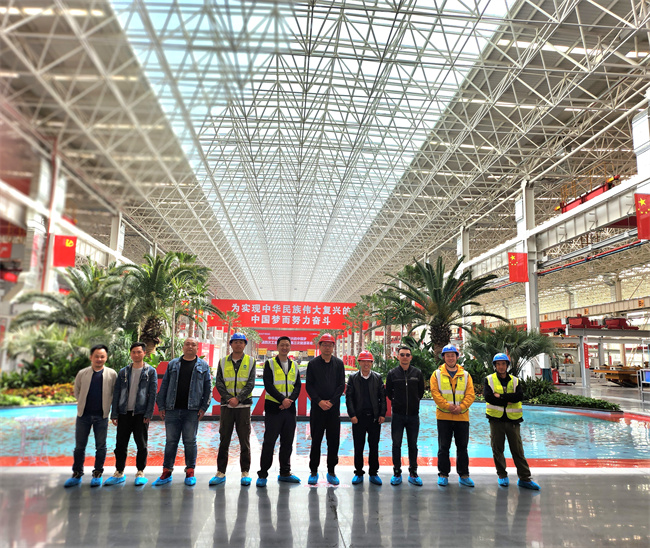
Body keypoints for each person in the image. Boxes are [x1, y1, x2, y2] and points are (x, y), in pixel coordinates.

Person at [153, 337, 212, 486]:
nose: (190, 346)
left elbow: (208, 389)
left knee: (190, 442)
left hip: (192, 411)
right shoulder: (173, 364)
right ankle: (167, 472)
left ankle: (190, 472)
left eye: (193, 344)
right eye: (187, 344)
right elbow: (164, 385)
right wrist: (161, 406)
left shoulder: (203, 366)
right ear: (183, 347)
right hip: (172, 409)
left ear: (197, 348)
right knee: (170, 442)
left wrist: (203, 408)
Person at [484, 353, 541, 490]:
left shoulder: (515, 381)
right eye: (498, 364)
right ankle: (502, 475)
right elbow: (489, 398)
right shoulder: (489, 380)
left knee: (518, 450)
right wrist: (508, 399)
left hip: (513, 420)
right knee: (497, 449)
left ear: (507, 365)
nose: (501, 367)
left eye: (503, 364)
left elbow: (519, 396)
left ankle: (524, 478)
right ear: (495, 366)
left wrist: (501, 396)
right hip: (496, 420)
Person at [104, 341, 158, 486]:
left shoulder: (150, 372)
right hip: (124, 413)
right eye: (133, 352)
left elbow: (153, 394)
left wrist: (148, 413)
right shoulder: (123, 372)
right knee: (120, 445)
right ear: (130, 354)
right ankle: (119, 471)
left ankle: (140, 471)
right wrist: (114, 414)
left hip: (141, 414)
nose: (136, 354)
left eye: (139, 352)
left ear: (144, 353)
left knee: (141, 444)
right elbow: (116, 393)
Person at [64, 344, 117, 487]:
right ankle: (77, 474)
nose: (99, 359)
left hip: (101, 416)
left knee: (101, 446)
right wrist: (82, 403)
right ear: (91, 357)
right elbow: (77, 391)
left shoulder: (112, 374)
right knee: (79, 447)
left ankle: (97, 473)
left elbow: (115, 394)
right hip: (83, 416)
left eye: (102, 356)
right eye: (96, 356)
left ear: (106, 358)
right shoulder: (82, 373)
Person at [211, 332, 256, 486]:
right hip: (227, 406)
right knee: (224, 439)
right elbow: (219, 382)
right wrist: (229, 398)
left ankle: (245, 472)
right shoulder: (223, 362)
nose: (238, 344)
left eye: (241, 342)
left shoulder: (251, 361)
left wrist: (239, 399)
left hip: (243, 407)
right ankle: (220, 472)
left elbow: (250, 383)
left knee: (245, 441)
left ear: (245, 344)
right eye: (235, 342)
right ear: (231, 344)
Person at [256, 336, 302, 487]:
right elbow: (268, 384)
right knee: (269, 442)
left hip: (290, 409)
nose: (284, 347)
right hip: (273, 408)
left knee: (287, 442)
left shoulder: (294, 365)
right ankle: (263, 474)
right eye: (282, 345)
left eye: (287, 345)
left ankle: (285, 472)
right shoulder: (270, 363)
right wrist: (282, 400)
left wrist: (290, 401)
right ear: (277, 347)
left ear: (290, 347)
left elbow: (297, 386)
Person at [430, 344, 476, 487]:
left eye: (453, 355)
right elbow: (435, 393)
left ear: (457, 357)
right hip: (444, 417)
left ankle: (464, 475)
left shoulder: (466, 375)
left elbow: (470, 394)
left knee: (462, 447)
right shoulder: (436, 374)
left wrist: (461, 407)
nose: (450, 358)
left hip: (462, 417)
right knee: (443, 447)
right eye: (448, 355)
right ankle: (443, 474)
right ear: (443, 357)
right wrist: (448, 406)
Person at [305, 333, 345, 485]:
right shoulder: (313, 364)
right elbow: (309, 386)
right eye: (324, 345)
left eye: (330, 345)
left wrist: (332, 402)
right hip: (317, 409)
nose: (327, 347)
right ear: (320, 346)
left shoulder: (339, 364)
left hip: (333, 410)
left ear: (333, 347)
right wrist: (319, 401)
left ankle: (331, 471)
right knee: (316, 440)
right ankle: (313, 471)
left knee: (333, 441)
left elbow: (341, 385)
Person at [385, 345, 425, 486]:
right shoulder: (392, 374)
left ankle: (413, 472)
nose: (405, 357)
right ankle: (397, 472)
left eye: (407, 355)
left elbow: (420, 392)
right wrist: (397, 403)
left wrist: (413, 403)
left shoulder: (417, 373)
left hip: (413, 416)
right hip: (398, 415)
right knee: (396, 444)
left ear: (411, 357)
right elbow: (389, 393)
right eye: (402, 354)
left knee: (413, 445)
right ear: (398, 357)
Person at [346, 350, 386, 485]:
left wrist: (382, 414)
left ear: (371, 363)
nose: (366, 364)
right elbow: (349, 398)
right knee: (358, 447)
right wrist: (352, 415)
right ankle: (358, 472)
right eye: (363, 361)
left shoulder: (377, 378)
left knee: (374, 446)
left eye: (368, 361)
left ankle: (373, 473)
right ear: (359, 363)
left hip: (374, 418)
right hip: (358, 418)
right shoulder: (353, 378)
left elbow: (382, 397)